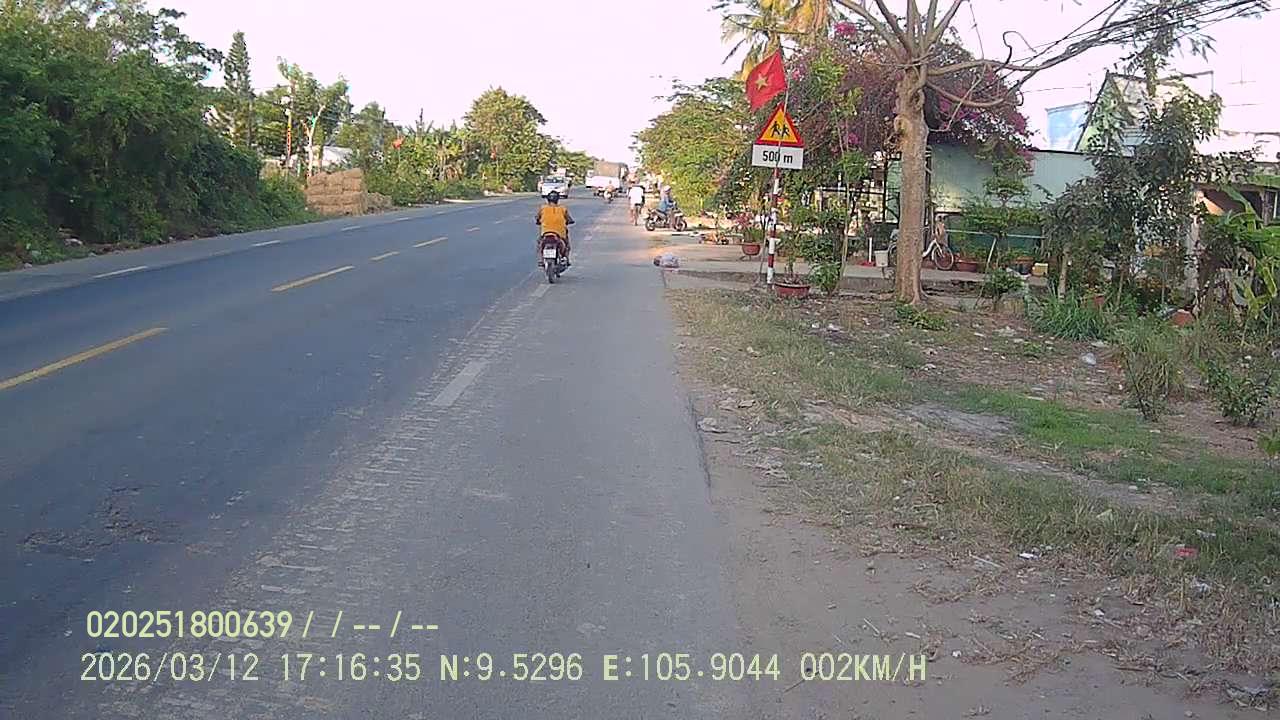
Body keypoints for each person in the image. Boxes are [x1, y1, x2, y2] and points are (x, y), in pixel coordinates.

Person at [534, 190, 574, 266]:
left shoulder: (543, 208)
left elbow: (537, 217)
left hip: (546, 233)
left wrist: (538, 221)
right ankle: (566, 259)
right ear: (557, 199)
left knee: (540, 243)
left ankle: (541, 260)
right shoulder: (563, 209)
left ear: (548, 199)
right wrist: (570, 221)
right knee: (567, 244)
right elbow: (569, 219)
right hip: (560, 234)